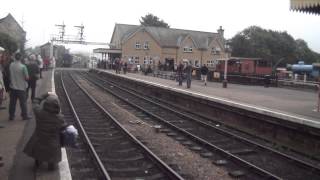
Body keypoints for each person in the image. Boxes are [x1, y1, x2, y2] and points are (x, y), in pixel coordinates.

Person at [24, 92, 65, 171]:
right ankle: (51, 163)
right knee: (56, 142)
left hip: (39, 139)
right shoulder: (60, 118)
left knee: (37, 140)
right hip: (52, 144)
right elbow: (63, 128)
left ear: (45, 104)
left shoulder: (39, 112)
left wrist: (46, 94)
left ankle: (37, 160)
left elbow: (35, 101)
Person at [9, 53, 30, 120]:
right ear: (21, 58)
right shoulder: (23, 67)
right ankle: (24, 116)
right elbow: (27, 78)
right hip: (22, 88)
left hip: (12, 88)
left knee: (12, 103)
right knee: (23, 103)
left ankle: (11, 116)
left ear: (15, 57)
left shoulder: (11, 65)